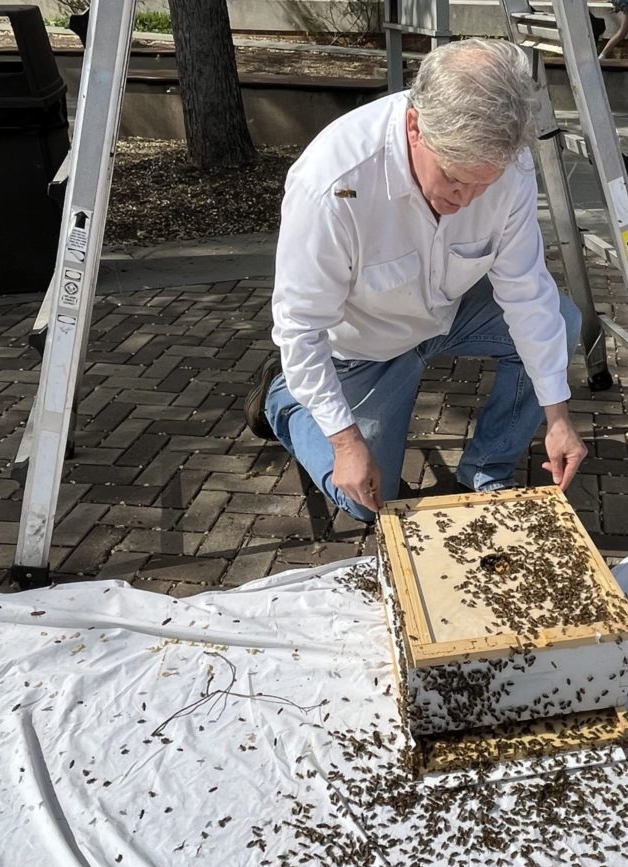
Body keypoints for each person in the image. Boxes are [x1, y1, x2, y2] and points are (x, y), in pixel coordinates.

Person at [245, 39, 588, 524]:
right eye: (454, 177)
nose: (465, 199)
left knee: (563, 318)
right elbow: (300, 327)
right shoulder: (333, 180)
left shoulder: (507, 164)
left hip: (447, 315)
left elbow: (526, 292)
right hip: (363, 349)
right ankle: (285, 400)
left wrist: (558, 417)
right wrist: (345, 442)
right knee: (364, 499)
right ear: (415, 126)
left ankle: (489, 470)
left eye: (482, 185)